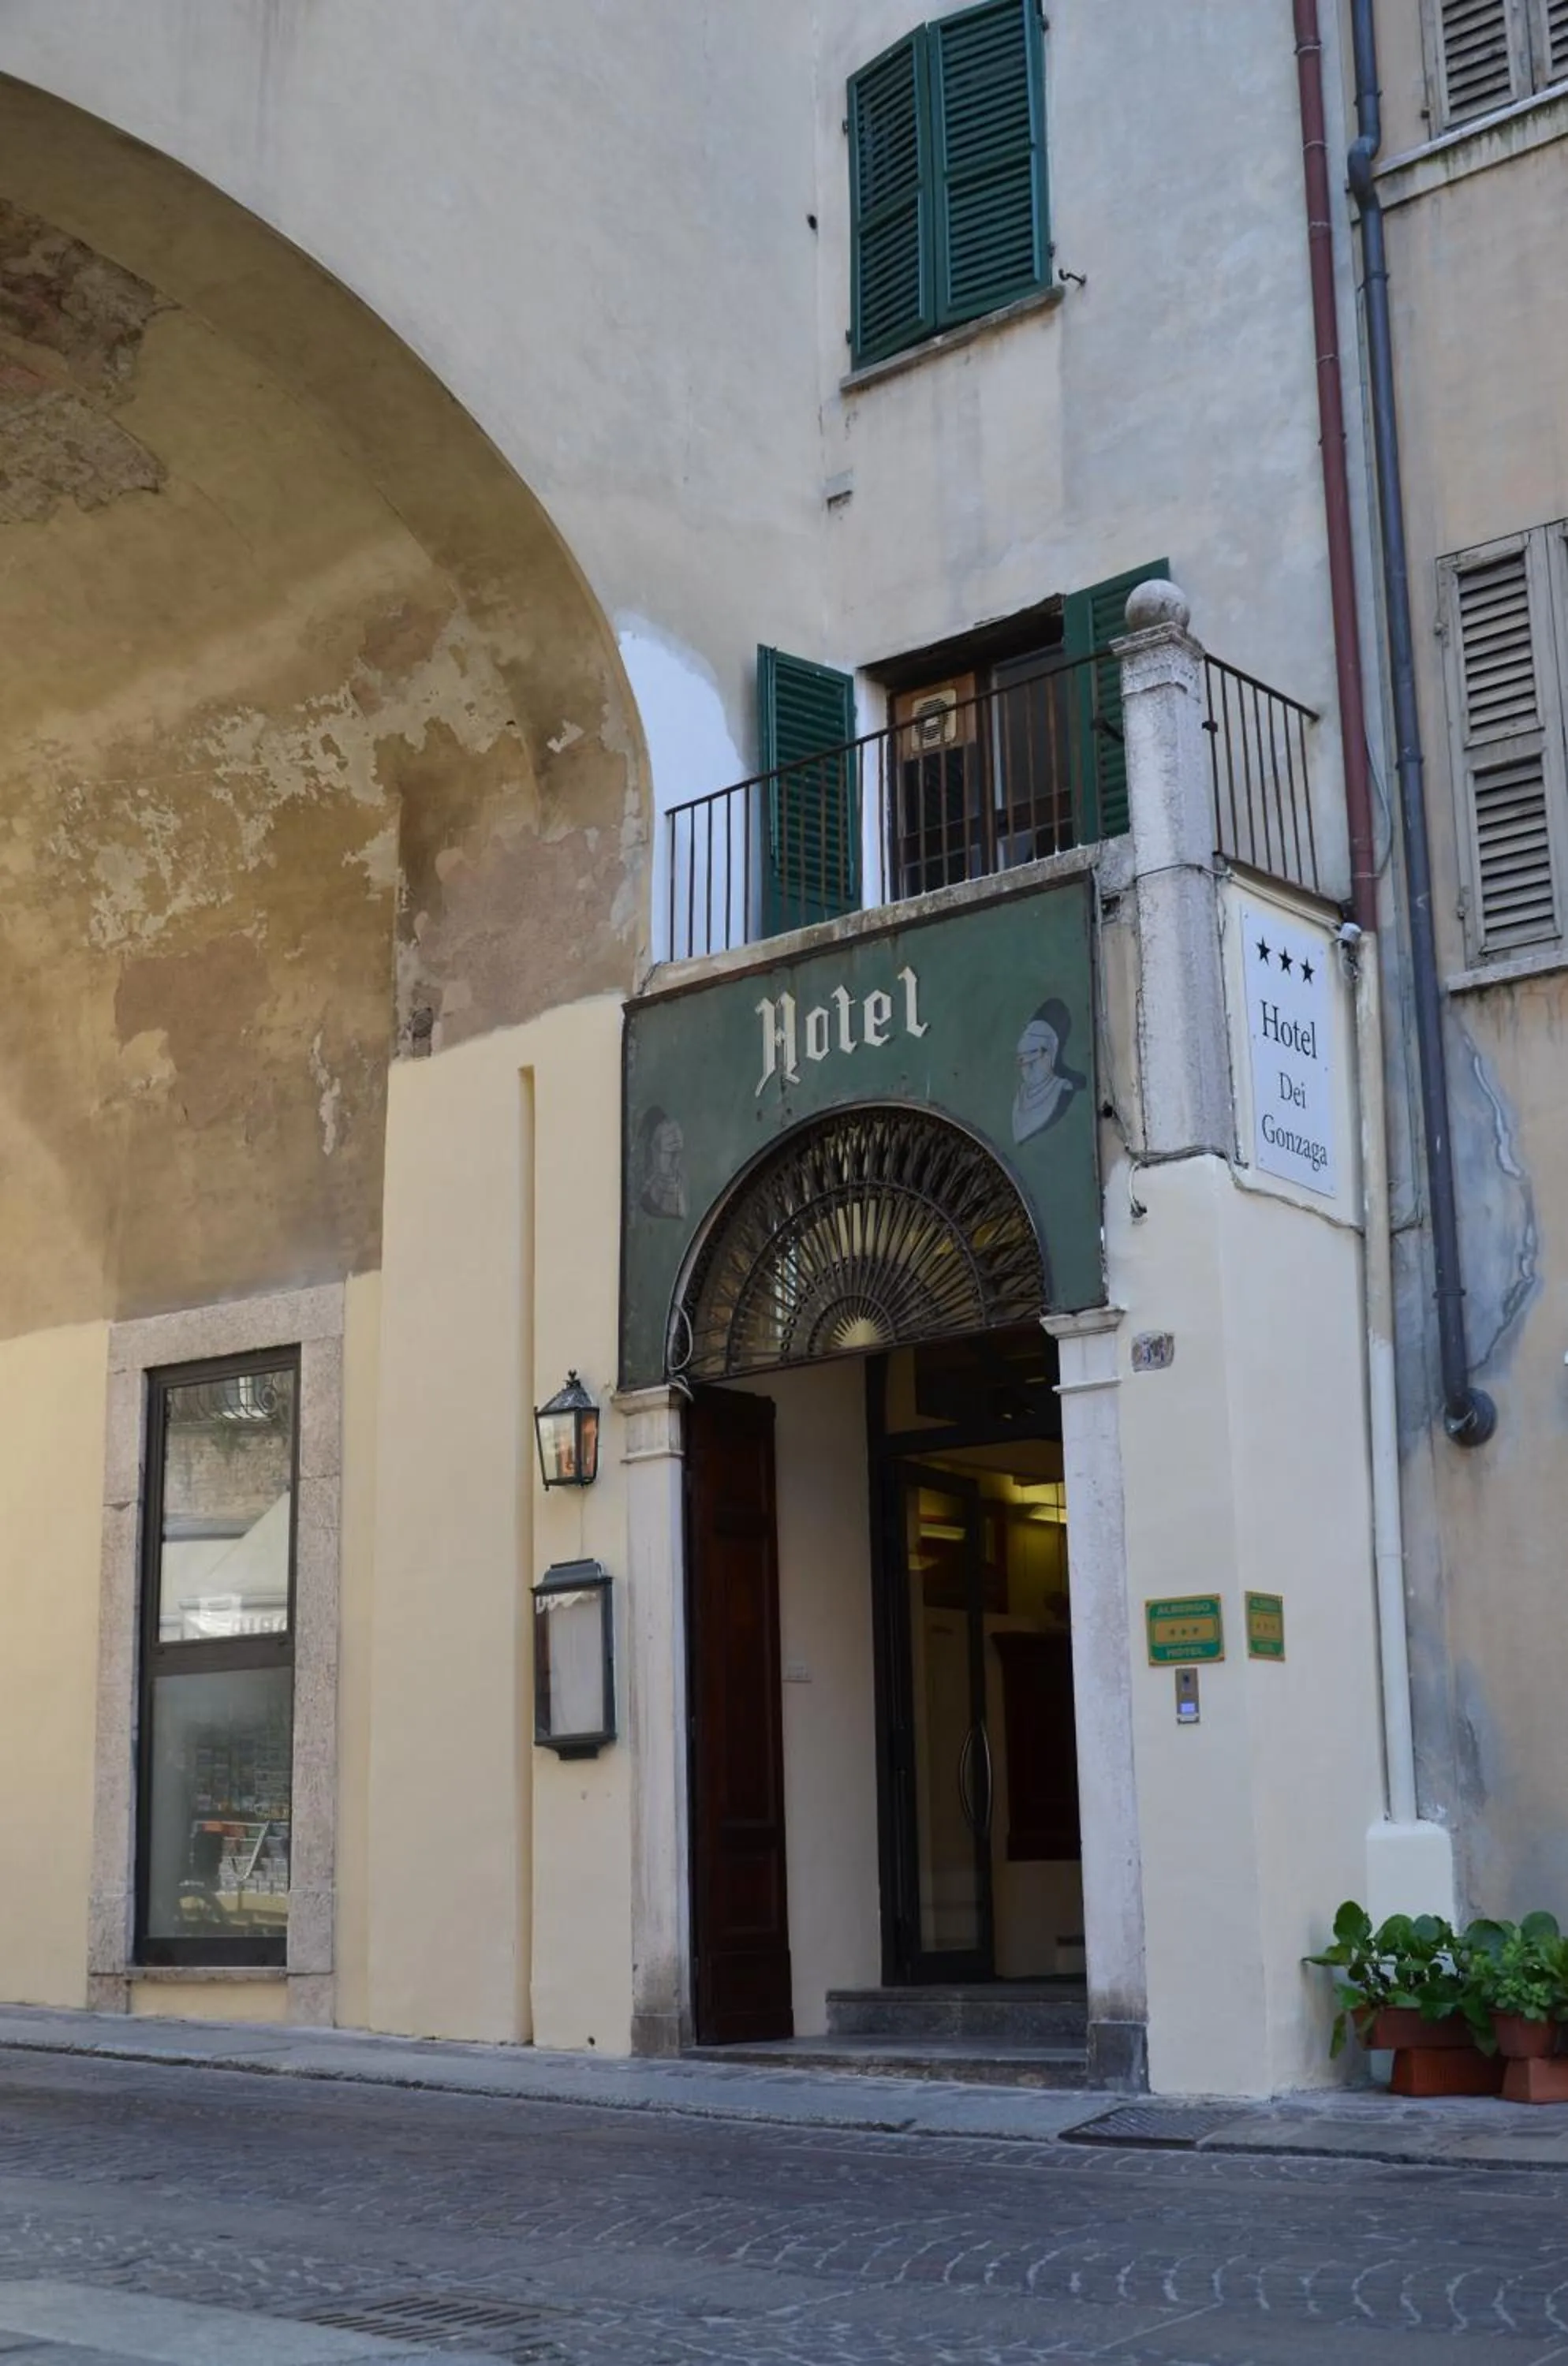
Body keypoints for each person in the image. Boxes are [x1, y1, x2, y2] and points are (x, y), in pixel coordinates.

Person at [1011, 998, 1087, 1143]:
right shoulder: (1020, 1099)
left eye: (1037, 1053)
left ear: (1053, 1053)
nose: (1028, 1064)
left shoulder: (1066, 1091)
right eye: (1023, 1056)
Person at [636, 1106, 688, 1219]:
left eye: (675, 1153)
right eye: (664, 1151)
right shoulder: (650, 1189)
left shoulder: (676, 1191)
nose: (673, 1159)